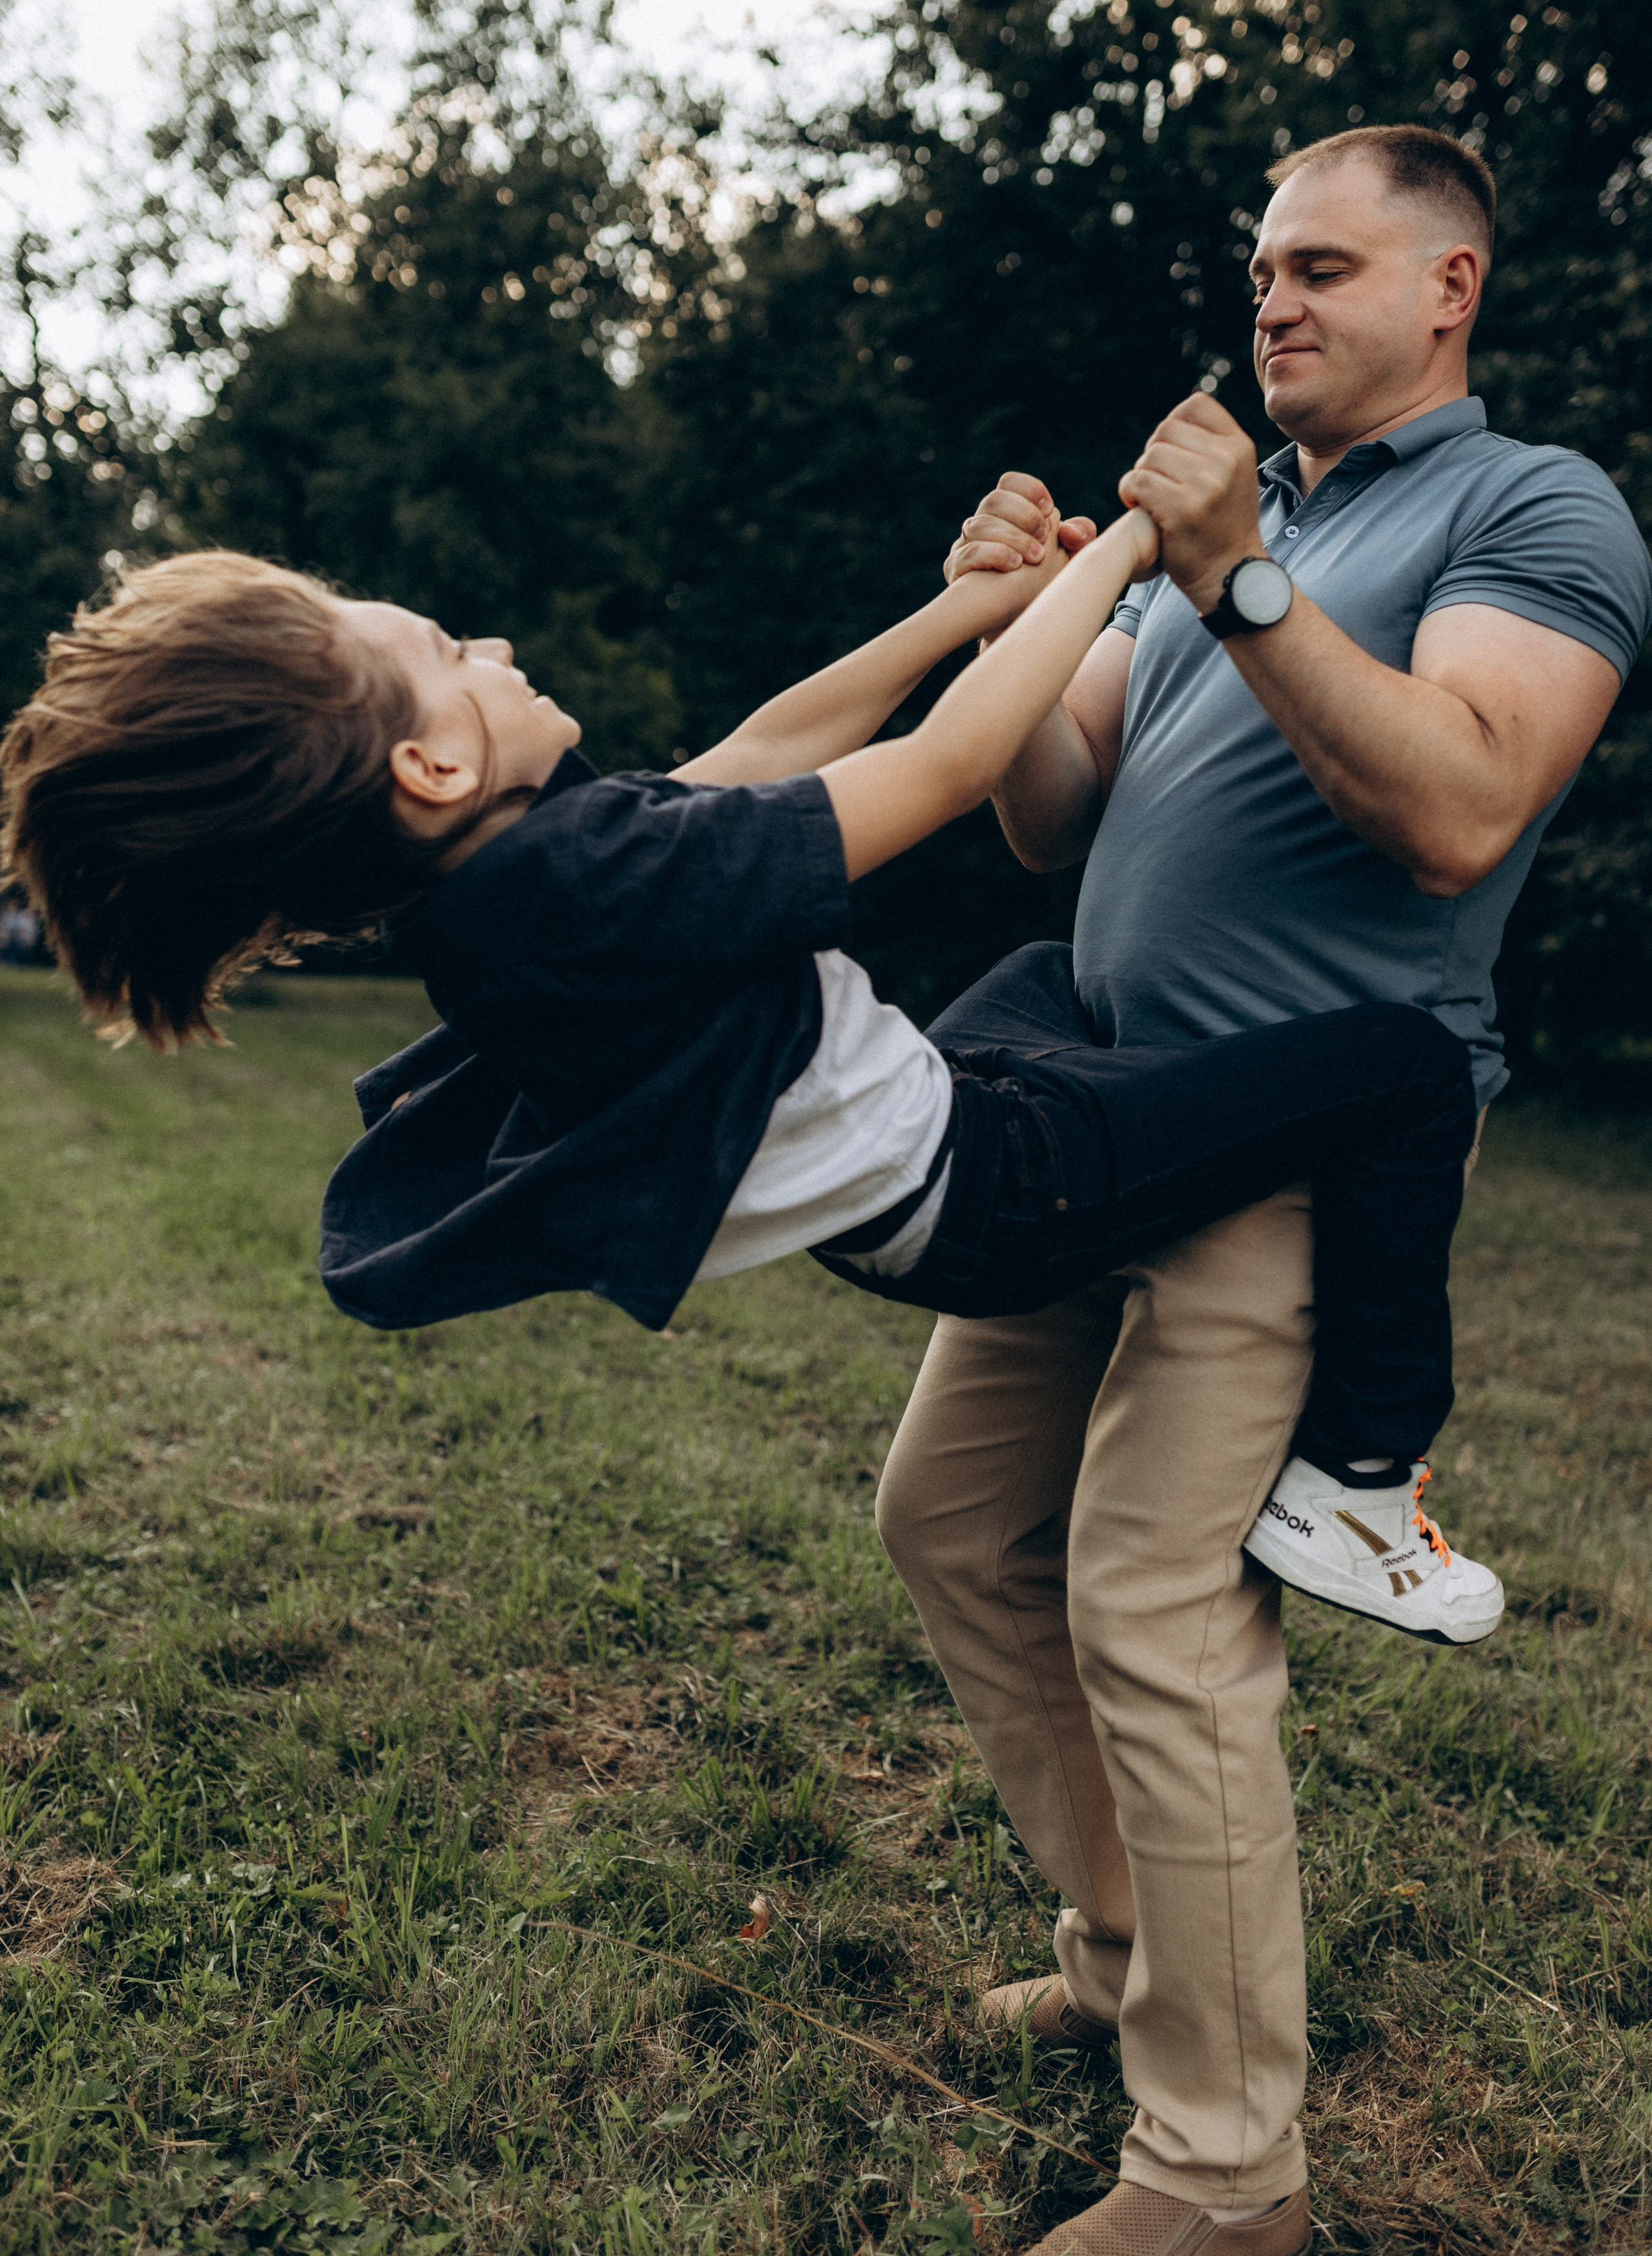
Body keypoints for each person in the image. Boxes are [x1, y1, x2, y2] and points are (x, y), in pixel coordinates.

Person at [1, 525, 1487, 1637]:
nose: (497, 652)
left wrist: (966, 606)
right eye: (457, 657)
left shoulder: (515, 883)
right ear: (434, 769)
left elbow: (773, 746)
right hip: (996, 1192)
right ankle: (1356, 1475)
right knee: (1404, 1068)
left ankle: (1221, 1204)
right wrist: (1133, 557)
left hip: (941, 1149)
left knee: (1055, 983)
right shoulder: (580, 878)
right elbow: (959, 761)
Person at [880, 122, 1651, 2255]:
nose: (1274, 305)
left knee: (1153, 1602)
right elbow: (1048, 818)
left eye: (1320, 268)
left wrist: (1235, 574)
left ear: (1448, 291)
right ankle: (1135, 1952)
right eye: (1260, 274)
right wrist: (1011, 627)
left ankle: (1226, 2179)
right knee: (946, 1520)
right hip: (1099, 1113)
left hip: (1305, 1146)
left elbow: (1463, 809)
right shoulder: (1260, 519)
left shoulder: (1533, 509)